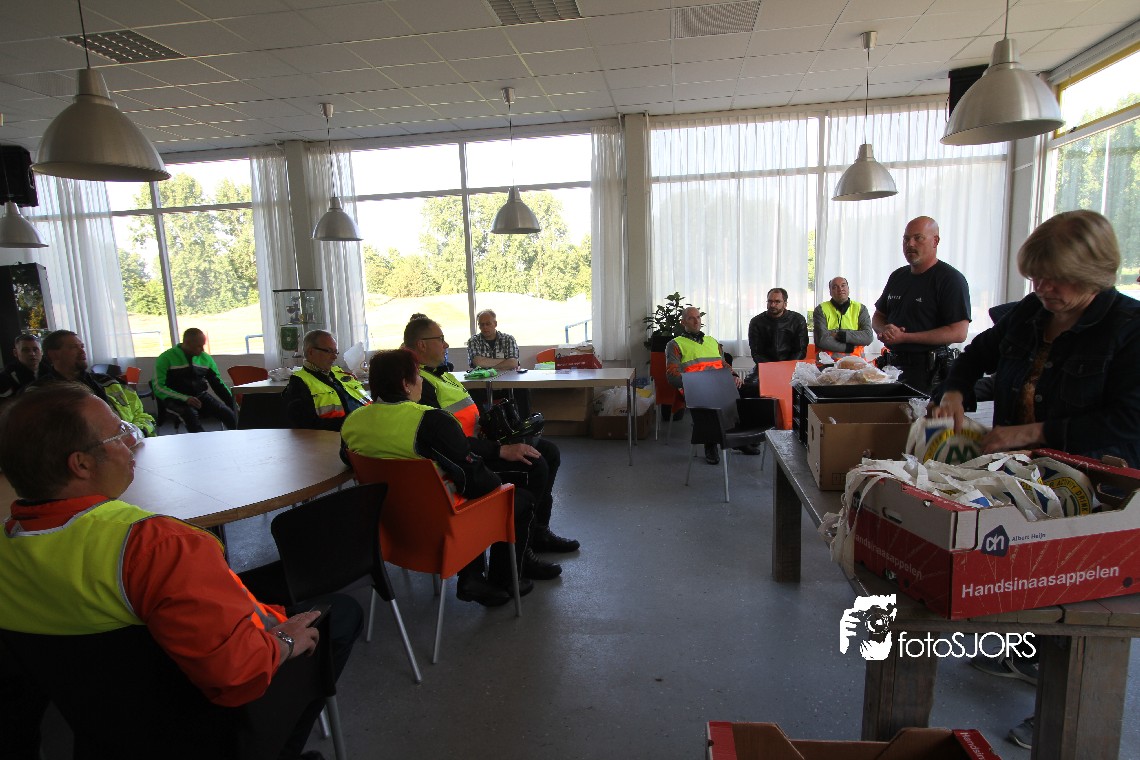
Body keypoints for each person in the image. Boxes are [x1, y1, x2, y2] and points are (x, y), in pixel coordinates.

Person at [0, 383, 361, 759]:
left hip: (104, 728)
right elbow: (237, 675)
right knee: (341, 614)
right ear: (81, 464)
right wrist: (284, 642)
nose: (130, 441)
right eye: (118, 434)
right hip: (204, 728)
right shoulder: (156, 545)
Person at [934, 210, 1140, 750]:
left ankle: (1061, 713)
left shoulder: (1130, 329)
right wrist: (954, 390)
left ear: (1095, 273)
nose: (1043, 288)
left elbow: (1127, 423)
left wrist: (1033, 432)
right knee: (1024, 572)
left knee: (1078, 596)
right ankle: (1024, 656)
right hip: (1026, 475)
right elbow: (976, 353)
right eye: (1036, 277)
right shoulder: (1032, 312)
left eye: (1056, 279)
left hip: (1095, 485)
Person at [342, 349, 536, 606]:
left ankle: (474, 577)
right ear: (405, 384)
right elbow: (474, 480)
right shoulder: (430, 420)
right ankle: (502, 579)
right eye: (417, 376)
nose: (421, 381)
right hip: (444, 527)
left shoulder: (352, 421)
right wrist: (498, 484)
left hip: (389, 526)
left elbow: (349, 459)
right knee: (518, 498)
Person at [404, 317, 579, 579]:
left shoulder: (441, 375)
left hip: (479, 442)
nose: (446, 344)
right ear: (422, 344)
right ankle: (514, 561)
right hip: (464, 458)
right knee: (534, 465)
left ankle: (537, 533)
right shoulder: (420, 385)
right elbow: (446, 442)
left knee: (548, 452)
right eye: (440, 339)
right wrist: (500, 449)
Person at [872, 216, 971, 393]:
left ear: (935, 241)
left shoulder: (950, 279)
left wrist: (905, 337)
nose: (910, 244)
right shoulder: (897, 276)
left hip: (929, 373)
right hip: (892, 368)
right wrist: (884, 330)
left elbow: (958, 332)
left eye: (918, 238)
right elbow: (879, 316)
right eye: (906, 239)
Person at [666, 306, 759, 465]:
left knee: (751, 391)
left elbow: (724, 365)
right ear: (683, 322)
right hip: (696, 388)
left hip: (720, 385)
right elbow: (672, 375)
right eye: (691, 318)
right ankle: (710, 445)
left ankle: (739, 439)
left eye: (698, 317)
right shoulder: (675, 344)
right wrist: (697, 383)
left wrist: (734, 376)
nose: (696, 321)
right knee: (710, 400)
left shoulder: (712, 341)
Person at [36, 330, 155, 438]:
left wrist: (137, 433)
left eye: (82, 346)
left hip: (133, 446)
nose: (82, 351)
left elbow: (143, 415)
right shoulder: (41, 393)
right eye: (73, 347)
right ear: (54, 354)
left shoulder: (109, 383)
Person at [283, 330, 370, 431]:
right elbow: (307, 425)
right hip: (341, 435)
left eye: (335, 352)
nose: (334, 356)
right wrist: (354, 424)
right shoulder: (299, 382)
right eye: (329, 351)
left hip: (369, 425)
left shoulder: (339, 373)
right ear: (311, 352)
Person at [153, 328, 237, 432]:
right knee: (191, 416)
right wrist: (185, 398)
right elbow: (158, 387)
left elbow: (218, 385)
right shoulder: (166, 358)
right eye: (199, 346)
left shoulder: (206, 358)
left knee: (228, 414)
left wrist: (234, 405)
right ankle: (202, 441)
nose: (202, 350)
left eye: (203, 345)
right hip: (175, 399)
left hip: (200, 396)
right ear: (187, 343)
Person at [466, 308, 530, 417]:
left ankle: (524, 423)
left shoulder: (508, 339)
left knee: (522, 389)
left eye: (488, 324)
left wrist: (487, 364)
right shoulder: (473, 341)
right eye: (481, 325)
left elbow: (513, 363)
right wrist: (505, 361)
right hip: (482, 386)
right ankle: (485, 423)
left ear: (495, 324)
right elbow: (478, 362)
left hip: (507, 385)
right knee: (470, 393)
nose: (484, 327)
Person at [813, 277, 873, 358]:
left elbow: (868, 337)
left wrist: (840, 335)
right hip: (827, 362)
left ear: (848, 289)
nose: (840, 289)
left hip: (856, 362)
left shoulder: (861, 308)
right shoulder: (821, 309)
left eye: (843, 285)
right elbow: (822, 340)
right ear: (830, 292)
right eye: (835, 287)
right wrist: (849, 347)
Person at [749, 288, 808, 364]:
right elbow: (756, 352)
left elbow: (800, 350)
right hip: (766, 366)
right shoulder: (756, 322)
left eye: (777, 301)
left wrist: (787, 366)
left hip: (791, 365)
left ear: (785, 304)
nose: (772, 305)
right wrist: (771, 367)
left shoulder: (798, 320)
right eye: (770, 301)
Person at [0, 333, 41, 400]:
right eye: (26, 350)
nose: (32, 354)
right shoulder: (5, 377)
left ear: (41, 352)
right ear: (15, 353)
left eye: (35, 349)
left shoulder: (51, 370)